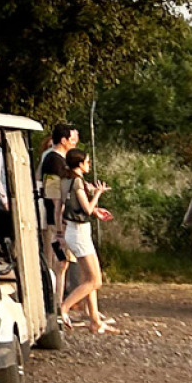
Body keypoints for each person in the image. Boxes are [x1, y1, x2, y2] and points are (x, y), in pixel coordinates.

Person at [59, 146, 115, 333]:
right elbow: (87, 208)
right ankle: (64, 307)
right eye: (87, 162)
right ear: (80, 164)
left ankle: (95, 320)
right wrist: (98, 193)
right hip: (79, 233)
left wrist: (96, 212)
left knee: (88, 278)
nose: (89, 165)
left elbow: (67, 207)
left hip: (74, 230)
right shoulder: (76, 182)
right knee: (95, 280)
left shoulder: (65, 180)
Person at [36, 122, 78, 308]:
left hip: (58, 217)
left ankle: (58, 304)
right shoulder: (53, 161)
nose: (75, 143)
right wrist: (59, 223)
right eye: (72, 139)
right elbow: (53, 193)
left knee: (62, 264)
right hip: (55, 219)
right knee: (57, 262)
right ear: (63, 140)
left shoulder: (58, 160)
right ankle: (54, 305)